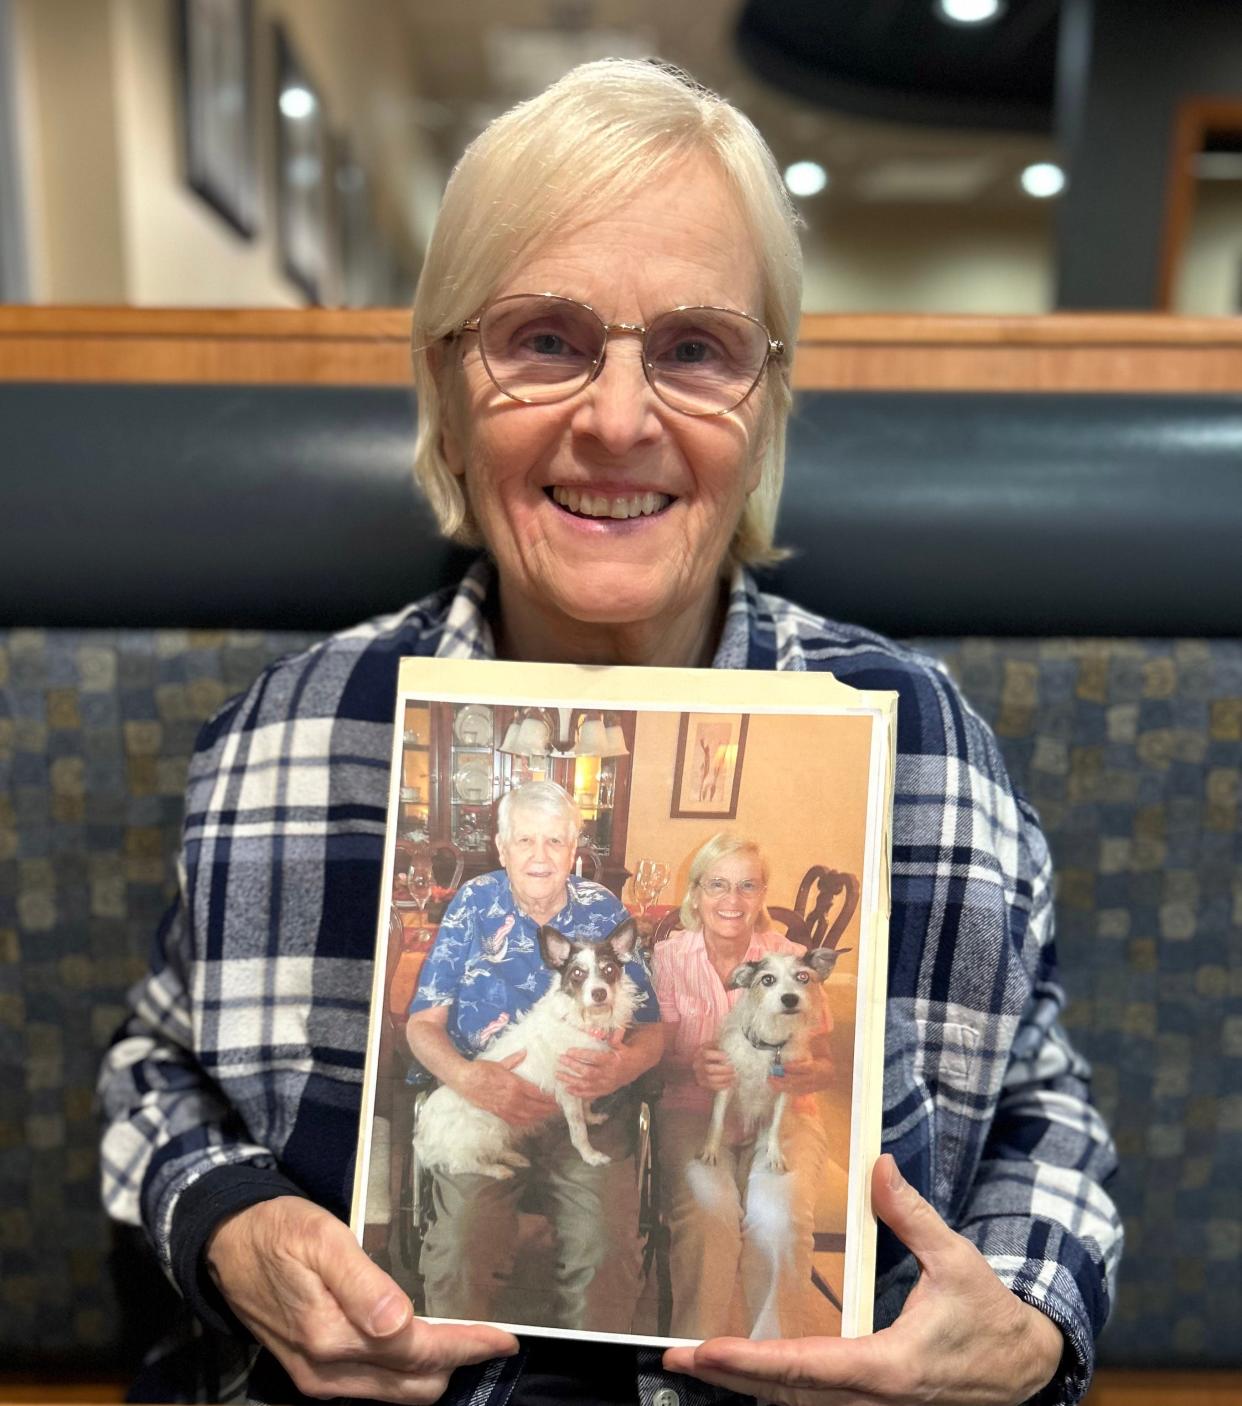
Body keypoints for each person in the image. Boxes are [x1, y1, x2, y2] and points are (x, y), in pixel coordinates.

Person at [97, 57, 1123, 1406]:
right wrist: (230, 1225)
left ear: (763, 411)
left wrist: (1028, 1321)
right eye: (543, 339)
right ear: (450, 393)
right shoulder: (280, 739)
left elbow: (1047, 1107)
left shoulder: (922, 744)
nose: (620, 419)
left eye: (695, 350)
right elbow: (157, 1067)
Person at [404, 780, 661, 1330]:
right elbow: (421, 1025)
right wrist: (468, 1078)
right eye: (525, 841)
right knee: (459, 1247)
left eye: (554, 842)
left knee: (607, 1252)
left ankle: (587, 1382)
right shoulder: (472, 905)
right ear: (501, 849)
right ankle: (462, 1382)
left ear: (575, 850)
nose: (540, 857)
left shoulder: (603, 911)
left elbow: (656, 1032)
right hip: (485, 1109)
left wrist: (623, 1065)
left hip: (589, 1105)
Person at [652, 834, 832, 1341]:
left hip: (785, 1113)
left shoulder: (792, 960)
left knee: (777, 1216)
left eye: (747, 886)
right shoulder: (668, 958)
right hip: (693, 1110)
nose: (732, 901)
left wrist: (807, 1074)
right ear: (695, 894)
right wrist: (691, 1067)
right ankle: (695, 1360)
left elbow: (829, 1064)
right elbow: (652, 1061)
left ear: (762, 895)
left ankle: (772, 1367)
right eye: (718, 885)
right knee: (710, 1216)